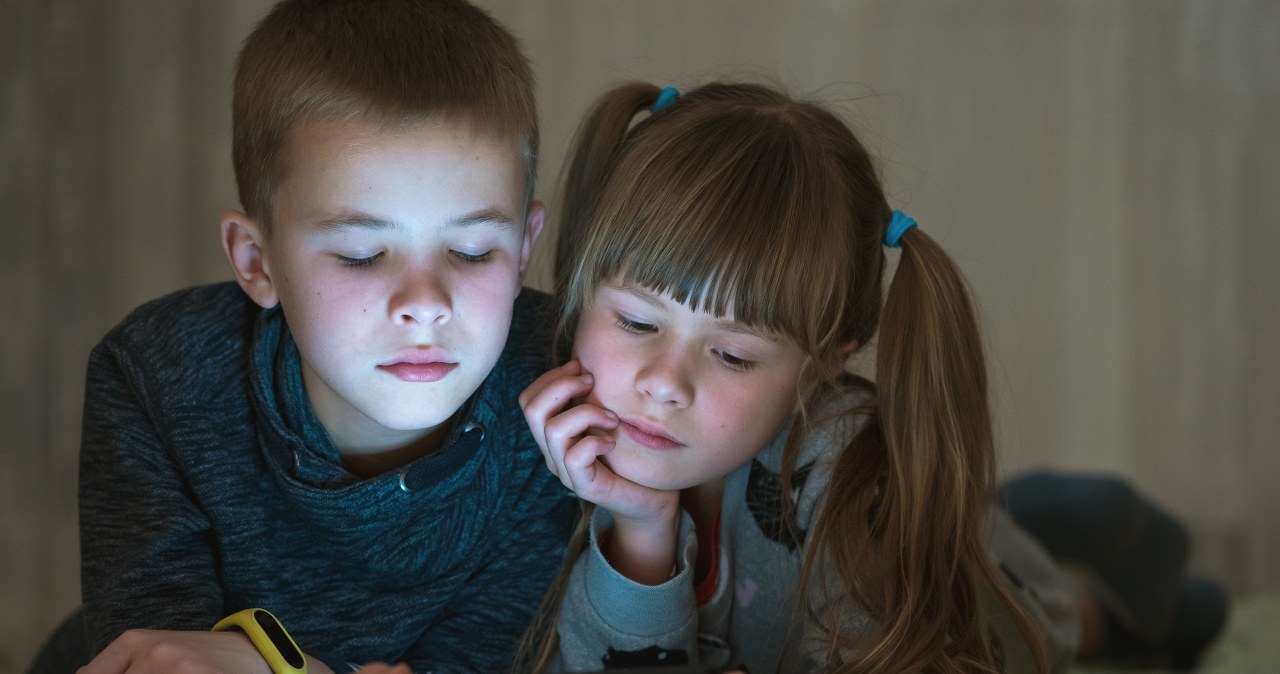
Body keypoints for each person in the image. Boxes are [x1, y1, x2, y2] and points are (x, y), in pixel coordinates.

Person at [517, 81, 1226, 673]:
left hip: (951, 582)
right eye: (638, 323)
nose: (664, 382)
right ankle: (1021, 511)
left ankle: (1102, 595)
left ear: (823, 366)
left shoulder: (849, 485)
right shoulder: (544, 424)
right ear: (582, 287)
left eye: (733, 355)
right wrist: (641, 528)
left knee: (1057, 626)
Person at [36, 1, 575, 672]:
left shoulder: (559, 392)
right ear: (256, 261)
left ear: (525, 246)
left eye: (471, 251)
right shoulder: (156, 375)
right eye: (360, 253)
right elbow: (161, 655)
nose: (425, 304)